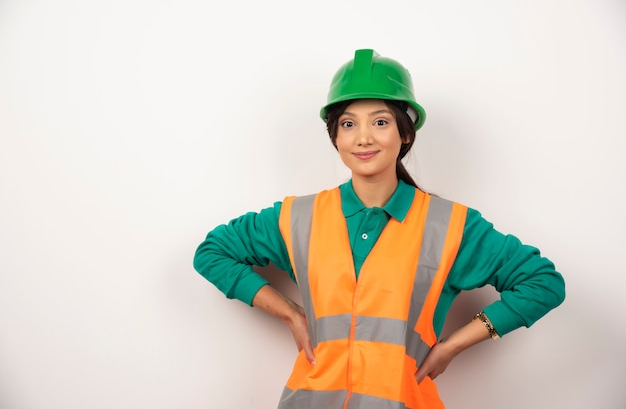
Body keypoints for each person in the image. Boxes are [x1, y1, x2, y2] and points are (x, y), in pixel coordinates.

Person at [193, 48, 566, 409]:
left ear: (405, 134)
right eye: (348, 124)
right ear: (335, 137)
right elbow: (212, 252)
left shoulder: (450, 226)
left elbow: (542, 283)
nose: (364, 137)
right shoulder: (298, 217)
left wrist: (452, 345)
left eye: (381, 122)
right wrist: (290, 313)